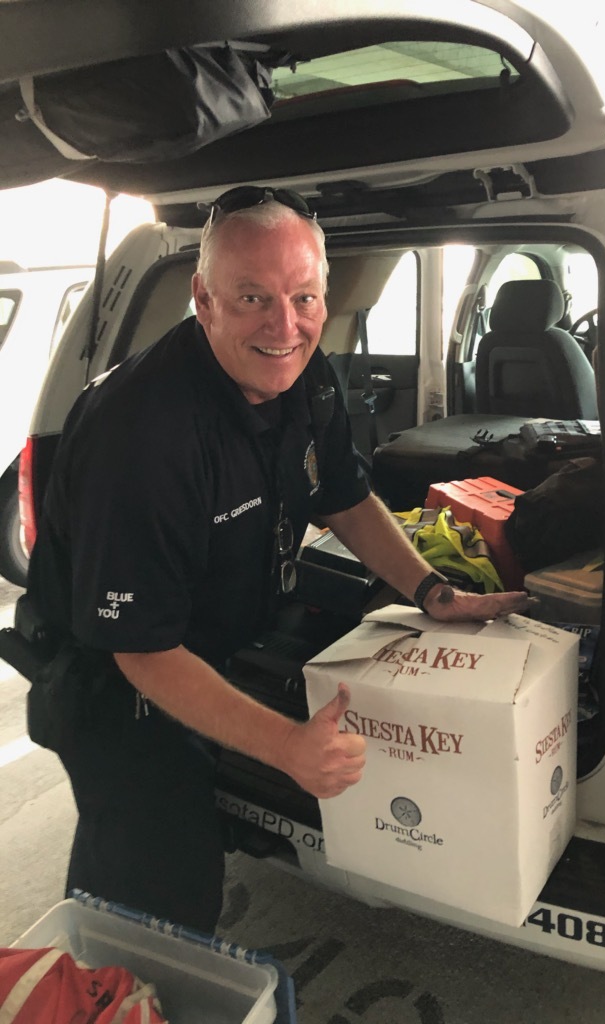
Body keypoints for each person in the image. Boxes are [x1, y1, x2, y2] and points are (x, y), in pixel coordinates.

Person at [25, 186, 530, 932]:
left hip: (217, 640)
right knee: (158, 904)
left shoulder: (307, 376)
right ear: (203, 298)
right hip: (117, 688)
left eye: (304, 297)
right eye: (254, 297)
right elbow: (142, 652)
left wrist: (432, 591)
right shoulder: (145, 435)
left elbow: (347, 500)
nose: (284, 325)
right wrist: (290, 747)